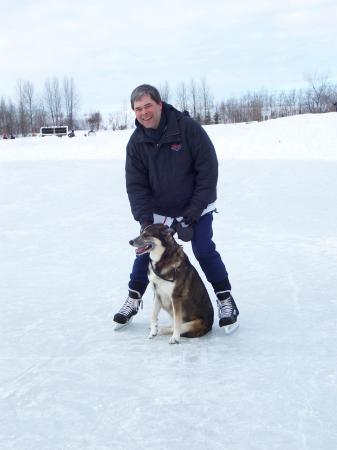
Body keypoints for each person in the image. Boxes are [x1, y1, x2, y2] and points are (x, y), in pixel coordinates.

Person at [113, 84, 239, 333]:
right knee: (145, 250)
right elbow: (136, 185)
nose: (144, 112)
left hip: (196, 205)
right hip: (160, 210)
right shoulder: (136, 142)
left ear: (160, 104)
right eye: (138, 109)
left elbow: (207, 171)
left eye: (148, 105)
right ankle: (133, 298)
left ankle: (225, 299)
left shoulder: (187, 128)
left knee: (203, 249)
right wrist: (146, 221)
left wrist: (192, 215)